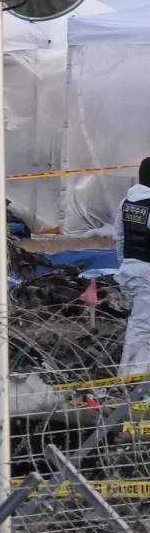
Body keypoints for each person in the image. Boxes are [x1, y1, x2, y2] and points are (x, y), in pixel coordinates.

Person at [118, 159, 150, 377]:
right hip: (147, 273)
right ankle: (132, 383)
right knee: (142, 329)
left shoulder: (126, 202)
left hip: (130, 270)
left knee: (140, 327)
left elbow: (119, 238)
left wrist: (125, 264)